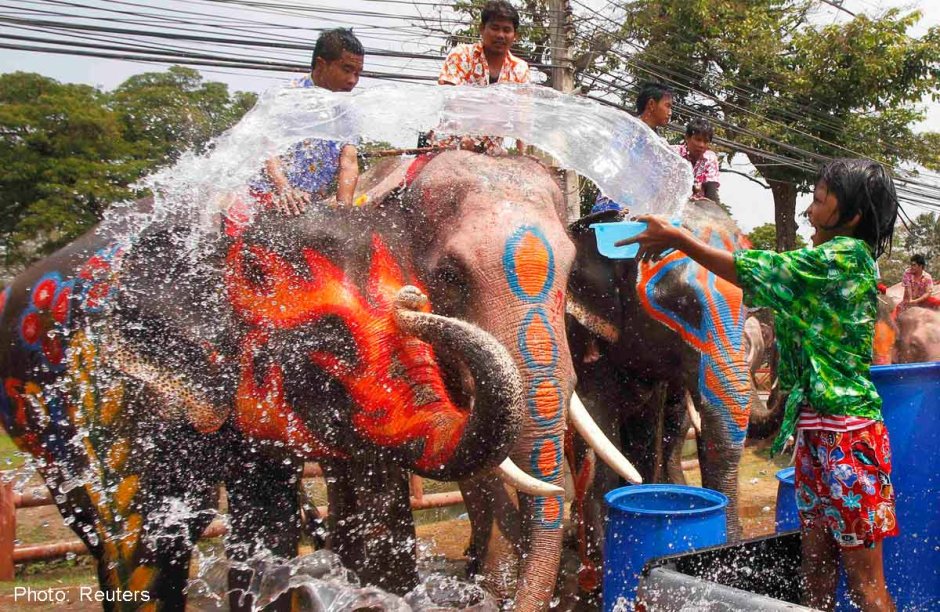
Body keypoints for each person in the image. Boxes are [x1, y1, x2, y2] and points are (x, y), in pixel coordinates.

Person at [621, 159, 899, 611]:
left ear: (850, 218)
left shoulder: (845, 258)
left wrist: (677, 239)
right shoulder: (818, 270)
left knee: (865, 584)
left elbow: (754, 269)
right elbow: (755, 284)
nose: (809, 211)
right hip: (816, 435)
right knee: (815, 572)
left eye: (821, 202)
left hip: (849, 440)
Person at [247, 28, 364, 220]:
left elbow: (349, 162)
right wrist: (285, 190)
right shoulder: (285, 97)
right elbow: (268, 150)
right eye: (346, 70)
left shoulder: (347, 111)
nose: (353, 80)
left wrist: (345, 214)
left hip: (310, 205)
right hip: (267, 197)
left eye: (358, 73)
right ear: (321, 64)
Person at [434, 0, 530, 154]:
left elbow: (522, 118)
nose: (500, 35)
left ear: (515, 36)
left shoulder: (520, 69)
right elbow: (449, 101)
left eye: (507, 30)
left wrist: (523, 155)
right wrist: (463, 136)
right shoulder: (461, 55)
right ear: (482, 29)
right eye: (495, 28)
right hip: (451, 146)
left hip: (493, 152)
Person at [591, 82, 676, 213]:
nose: (670, 113)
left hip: (640, 214)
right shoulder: (626, 132)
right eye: (667, 106)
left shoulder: (660, 145)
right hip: (612, 210)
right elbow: (613, 169)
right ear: (652, 104)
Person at [674, 118, 721, 204]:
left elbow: (711, 193)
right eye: (698, 139)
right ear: (687, 137)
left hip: (696, 210)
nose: (701, 145)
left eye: (706, 141)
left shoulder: (710, 159)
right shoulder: (673, 153)